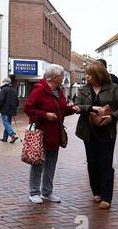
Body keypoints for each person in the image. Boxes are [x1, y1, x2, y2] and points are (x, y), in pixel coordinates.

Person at [74, 62, 118, 209]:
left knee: (106, 164)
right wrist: (92, 108)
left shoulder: (112, 88)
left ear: (98, 75)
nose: (86, 76)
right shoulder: (83, 89)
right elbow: (77, 106)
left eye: (89, 74)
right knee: (92, 163)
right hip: (88, 131)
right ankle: (96, 191)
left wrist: (113, 117)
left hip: (108, 131)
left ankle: (107, 197)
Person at [24, 64, 78, 204]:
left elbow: (61, 109)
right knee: (38, 163)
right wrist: (44, 115)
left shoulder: (58, 91)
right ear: (54, 77)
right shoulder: (40, 90)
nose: (63, 78)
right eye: (61, 76)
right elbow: (28, 108)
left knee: (51, 164)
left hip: (55, 134)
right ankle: (34, 192)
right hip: (41, 133)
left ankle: (47, 192)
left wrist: (72, 109)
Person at [0, 78, 19, 143]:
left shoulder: (3, 89)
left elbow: (1, 100)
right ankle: (5, 138)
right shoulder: (13, 90)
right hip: (11, 110)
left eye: (3, 81)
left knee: (6, 123)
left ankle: (12, 135)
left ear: (5, 82)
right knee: (8, 123)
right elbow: (17, 101)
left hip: (4, 109)